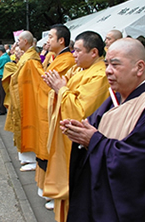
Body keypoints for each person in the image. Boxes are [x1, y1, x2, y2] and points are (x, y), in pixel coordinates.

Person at [62, 38, 145, 222]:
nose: (108, 71)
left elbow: (137, 159)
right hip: (98, 192)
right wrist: (79, 130)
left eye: (115, 65)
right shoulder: (115, 97)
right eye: (107, 64)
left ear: (139, 68)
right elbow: (94, 126)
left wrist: (92, 140)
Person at [42, 31, 109, 220]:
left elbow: (79, 111)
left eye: (78, 51)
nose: (74, 55)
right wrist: (61, 88)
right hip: (66, 138)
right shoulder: (81, 69)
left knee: (75, 187)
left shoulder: (99, 74)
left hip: (79, 143)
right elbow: (62, 84)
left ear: (94, 52)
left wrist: (62, 89)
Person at [34, 25, 76, 206]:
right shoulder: (56, 57)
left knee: (53, 152)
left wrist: (32, 66)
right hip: (48, 110)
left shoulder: (66, 60)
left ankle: (55, 192)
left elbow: (47, 83)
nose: (47, 40)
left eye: (51, 37)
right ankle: (48, 190)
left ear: (62, 41)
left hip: (57, 112)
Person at [4, 30, 45, 171]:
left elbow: (37, 80)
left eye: (19, 41)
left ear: (25, 42)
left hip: (28, 98)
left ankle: (32, 159)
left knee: (28, 125)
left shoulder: (31, 59)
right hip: (21, 96)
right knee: (21, 126)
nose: (17, 43)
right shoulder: (26, 57)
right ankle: (26, 158)